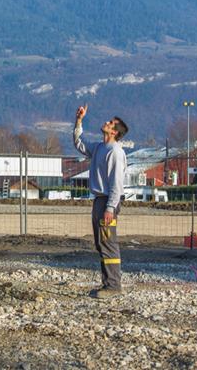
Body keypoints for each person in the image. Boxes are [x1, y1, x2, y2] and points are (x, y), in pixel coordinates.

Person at [73, 104, 128, 299]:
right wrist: (79, 121)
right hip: (99, 200)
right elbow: (79, 143)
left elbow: (116, 183)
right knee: (100, 242)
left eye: (110, 123)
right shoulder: (99, 148)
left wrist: (110, 208)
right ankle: (107, 283)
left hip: (107, 202)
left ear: (114, 132)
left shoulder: (115, 152)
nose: (106, 122)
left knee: (108, 242)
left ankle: (113, 285)